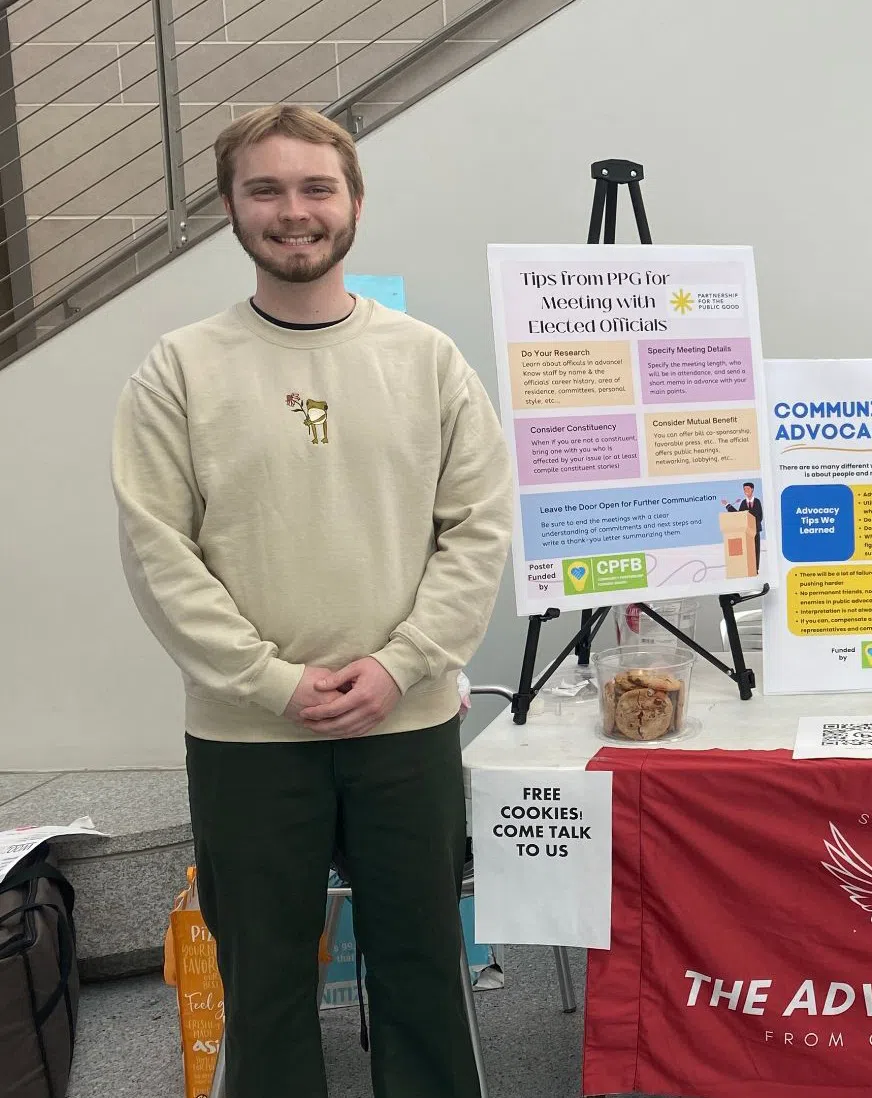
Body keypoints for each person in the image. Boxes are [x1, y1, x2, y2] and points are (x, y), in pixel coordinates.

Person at [111, 105, 513, 1098]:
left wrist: (400, 663)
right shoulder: (179, 371)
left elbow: (478, 529)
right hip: (250, 738)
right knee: (266, 988)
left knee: (423, 967)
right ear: (230, 208)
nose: (294, 212)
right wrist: (272, 683)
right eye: (267, 189)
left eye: (316, 188)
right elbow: (159, 554)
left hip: (407, 721)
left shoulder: (427, 361)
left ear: (354, 202)